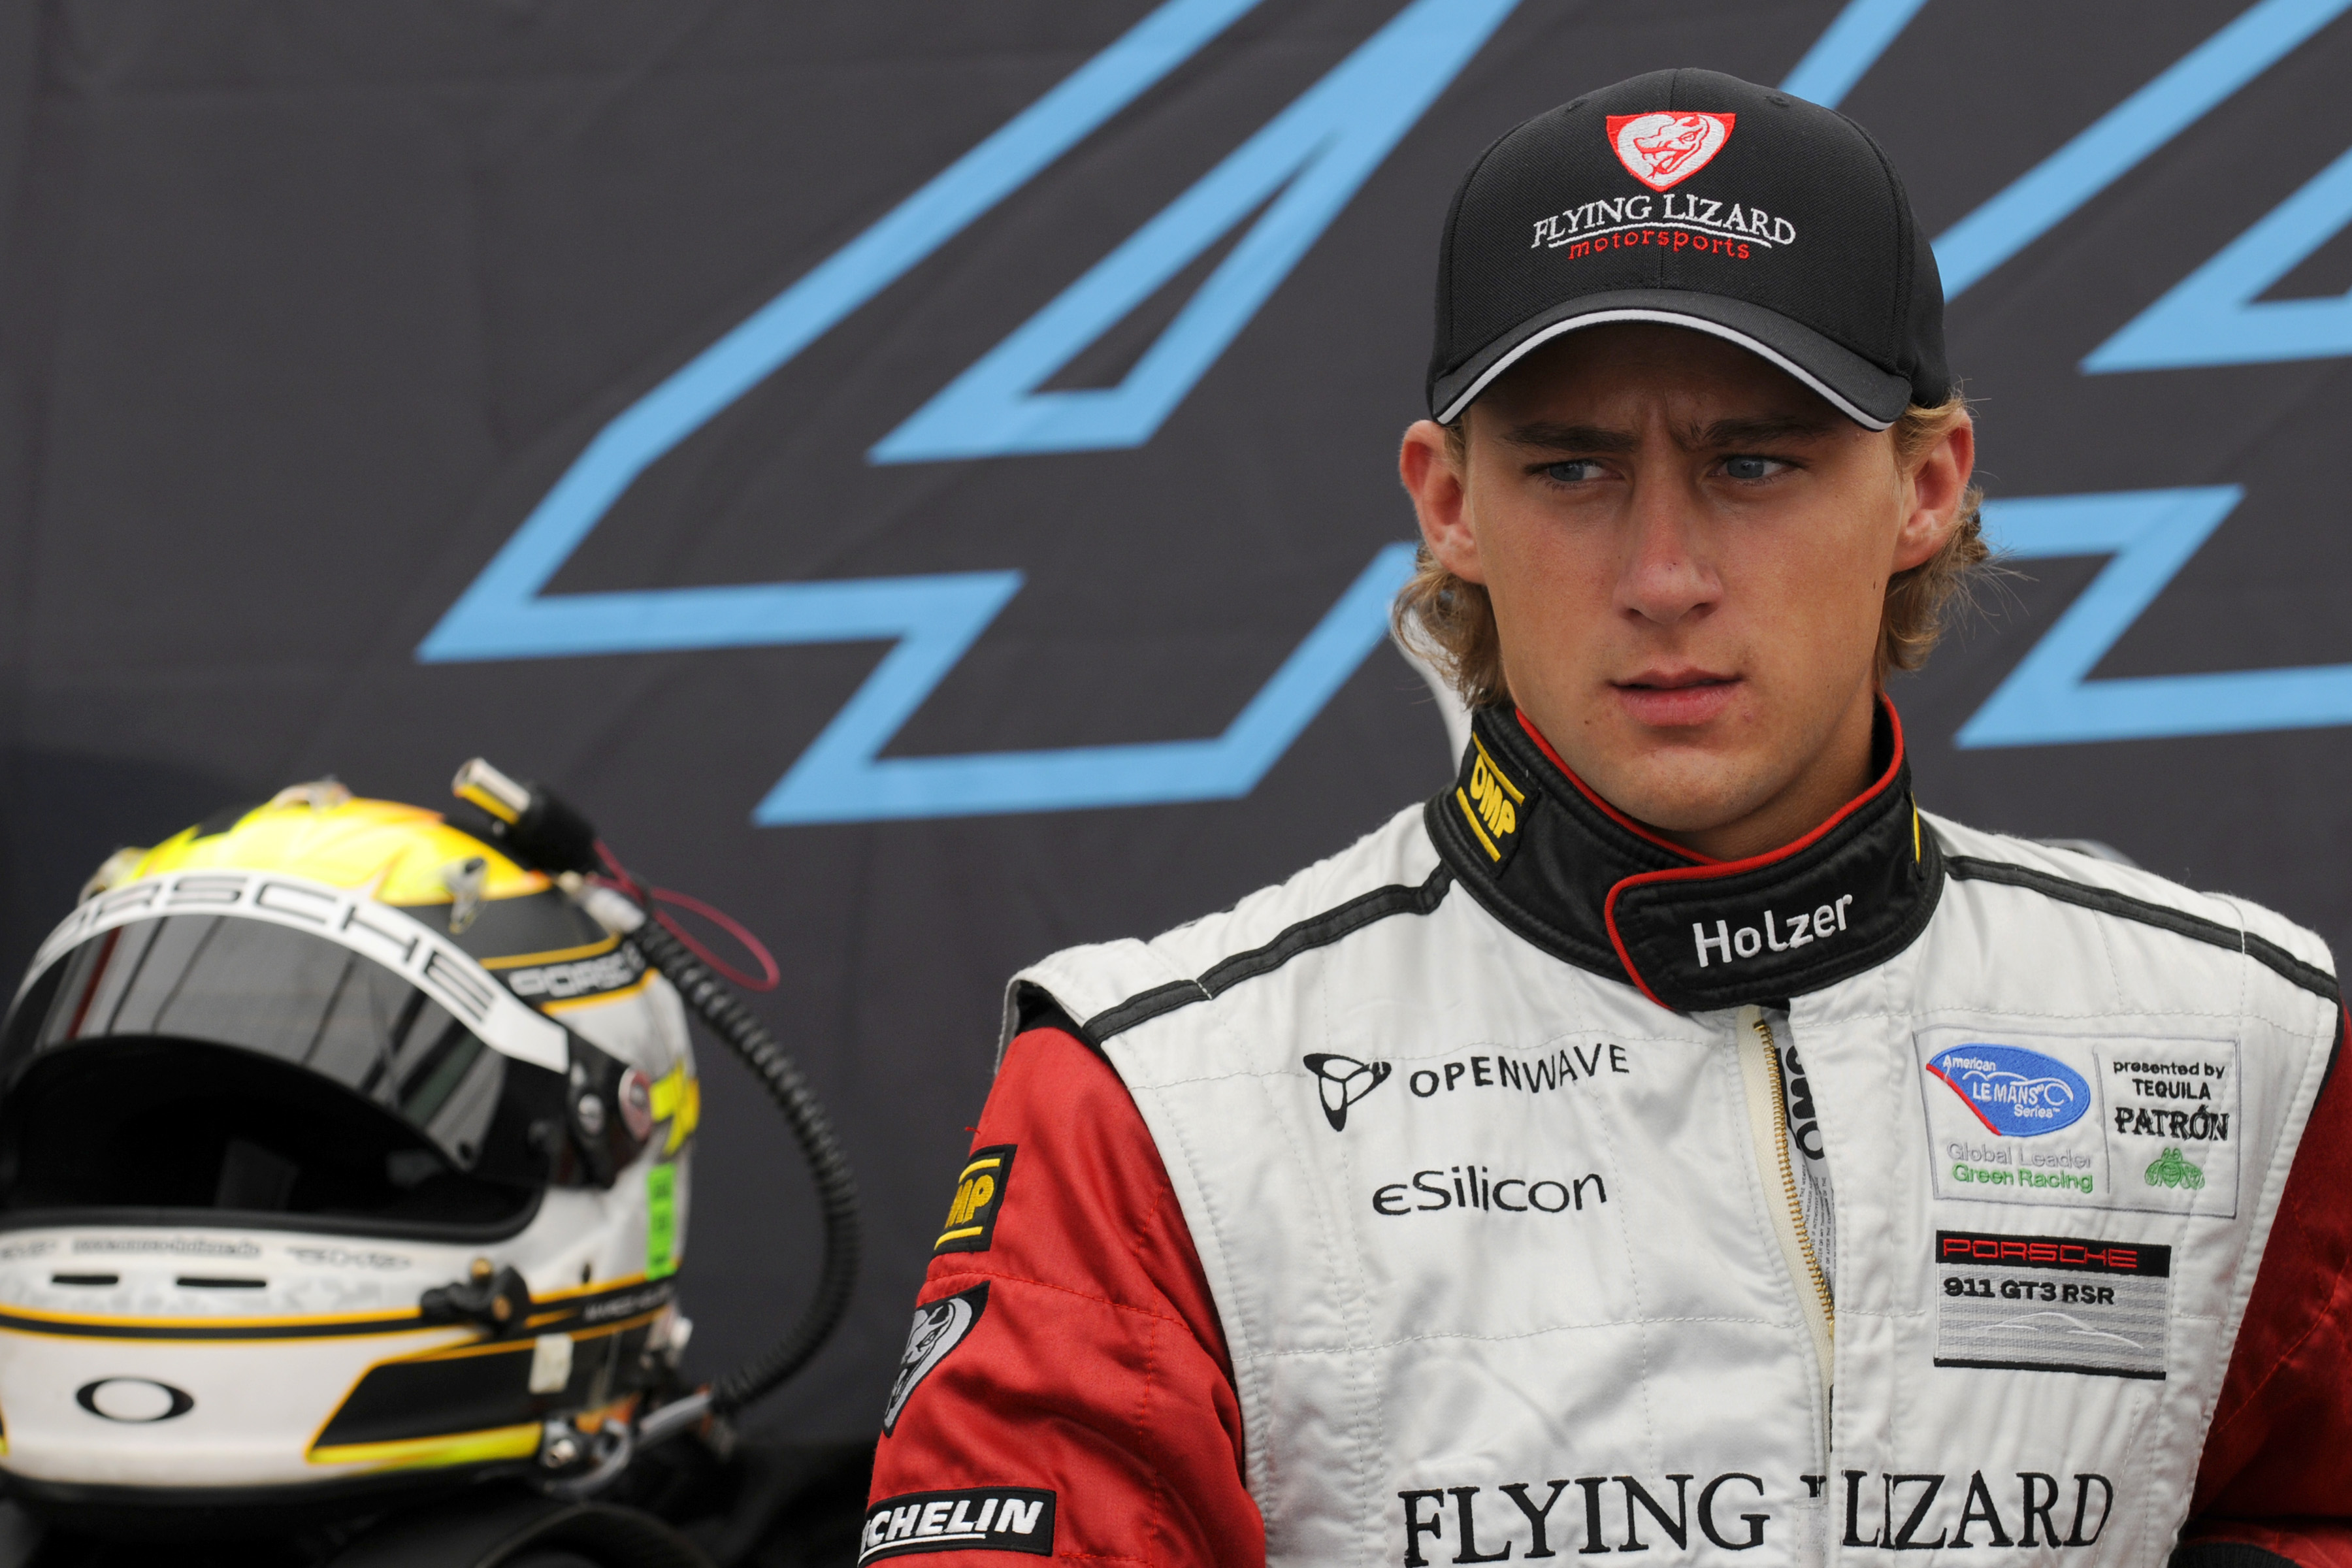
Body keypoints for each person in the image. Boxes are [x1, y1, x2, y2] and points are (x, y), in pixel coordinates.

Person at [862, 69, 2352, 1568]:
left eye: (1753, 463)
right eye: (1573, 468)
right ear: (1450, 503)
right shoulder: (1160, 1097)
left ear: (1927, 488)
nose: (1663, 576)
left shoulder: (2244, 1041)